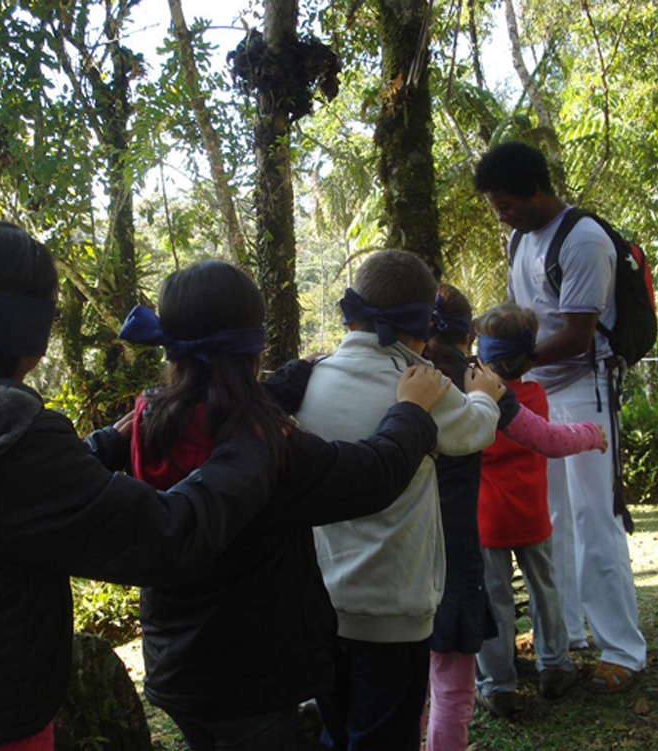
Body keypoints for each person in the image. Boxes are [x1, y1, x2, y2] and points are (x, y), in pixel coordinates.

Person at [0, 220, 298, 750]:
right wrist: (249, 446)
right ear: (24, 328)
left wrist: (109, 441)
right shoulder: (14, 440)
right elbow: (166, 535)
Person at [119, 260, 450, 751]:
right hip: (251, 678)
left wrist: (298, 375)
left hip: (175, 664)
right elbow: (372, 475)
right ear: (255, 344)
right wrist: (411, 412)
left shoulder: (149, 418)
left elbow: (219, 408)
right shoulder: (268, 448)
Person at [293, 249, 507, 751]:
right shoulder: (422, 386)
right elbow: (474, 431)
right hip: (395, 608)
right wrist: (484, 395)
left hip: (321, 601)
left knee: (336, 731)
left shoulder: (308, 381)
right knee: (385, 737)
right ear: (422, 324)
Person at [474, 141, 647, 693]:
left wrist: (513, 362)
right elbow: (524, 317)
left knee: (595, 519)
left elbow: (575, 334)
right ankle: (563, 635)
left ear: (535, 190)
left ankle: (622, 649)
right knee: (548, 521)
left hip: (583, 390)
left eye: (505, 204)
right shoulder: (520, 238)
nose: (499, 213)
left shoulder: (584, 240)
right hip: (531, 395)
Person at [473, 301, 607, 718]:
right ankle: (555, 665)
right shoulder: (535, 397)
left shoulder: (477, 405)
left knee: (494, 602)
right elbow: (552, 439)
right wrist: (592, 433)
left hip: (487, 522)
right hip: (532, 518)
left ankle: (498, 684)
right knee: (545, 592)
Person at [418, 283, 518, 751]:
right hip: (457, 552)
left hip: (404, 551)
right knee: (454, 688)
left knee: (407, 683)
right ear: (468, 334)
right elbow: (538, 434)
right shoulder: (478, 379)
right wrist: (588, 435)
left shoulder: (398, 375)